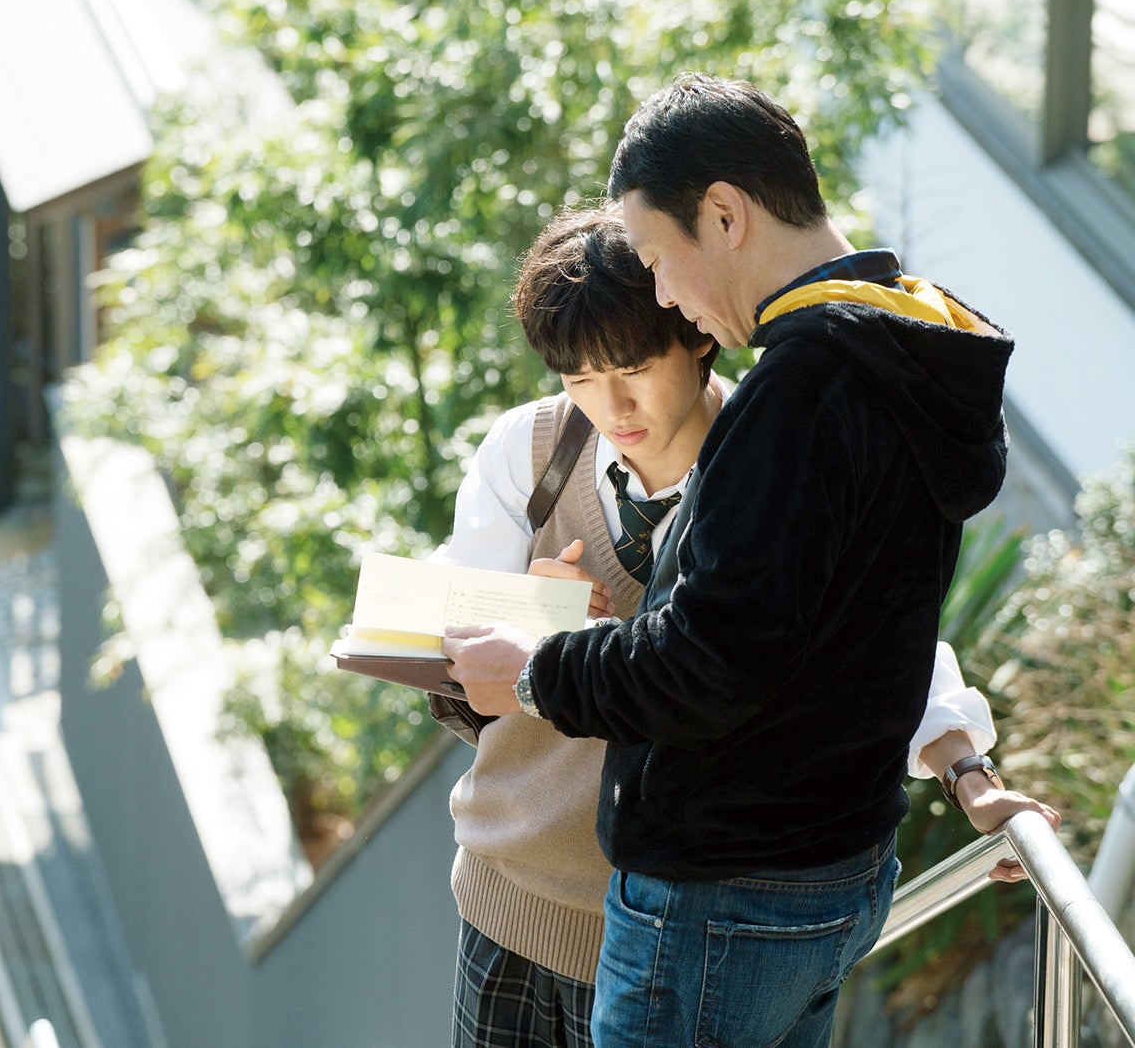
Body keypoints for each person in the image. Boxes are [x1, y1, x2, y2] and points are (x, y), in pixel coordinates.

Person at [442, 74, 1059, 1047]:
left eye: (656, 258)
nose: (664, 294)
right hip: (821, 879)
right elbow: (862, 621)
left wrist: (535, 664)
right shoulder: (895, 348)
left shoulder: (801, 394)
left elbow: (712, 657)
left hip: (718, 900)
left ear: (722, 215)